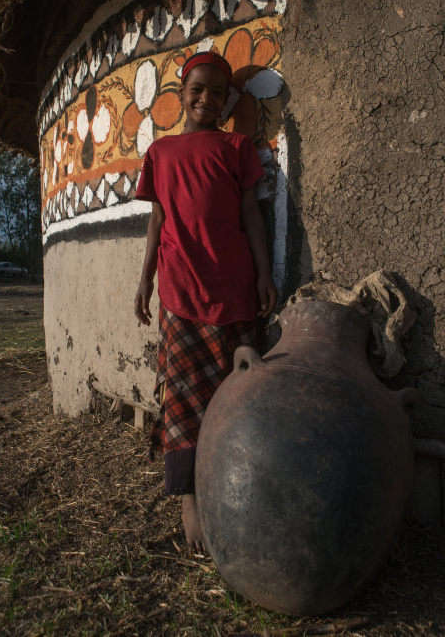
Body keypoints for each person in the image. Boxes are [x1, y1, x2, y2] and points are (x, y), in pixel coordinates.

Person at [134, 51, 278, 550]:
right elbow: (156, 222)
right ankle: (189, 498)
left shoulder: (238, 147)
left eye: (218, 92)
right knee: (181, 398)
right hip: (179, 292)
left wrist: (263, 274)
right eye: (197, 89)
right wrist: (145, 280)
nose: (207, 99)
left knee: (236, 395)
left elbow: (251, 215)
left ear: (227, 100)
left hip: (234, 291)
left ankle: (234, 490)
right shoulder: (160, 154)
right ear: (180, 94)